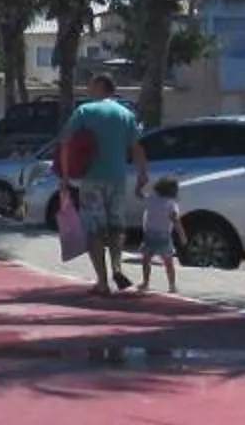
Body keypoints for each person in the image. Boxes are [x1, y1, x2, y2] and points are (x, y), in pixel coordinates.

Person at [58, 72, 148, 295]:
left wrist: (66, 176)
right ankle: (117, 267)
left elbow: (66, 142)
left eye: (91, 85)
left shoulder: (85, 111)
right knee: (116, 227)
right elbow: (137, 147)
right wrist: (142, 174)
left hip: (92, 178)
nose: (88, 89)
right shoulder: (126, 114)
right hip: (117, 178)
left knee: (94, 230)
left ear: (101, 86)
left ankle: (102, 282)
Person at [142, 173, 184, 294]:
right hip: (163, 235)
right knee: (168, 262)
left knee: (146, 260)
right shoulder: (171, 204)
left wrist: (144, 182)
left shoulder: (151, 199)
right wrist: (182, 235)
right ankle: (172, 285)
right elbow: (175, 221)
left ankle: (145, 282)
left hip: (149, 234)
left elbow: (139, 193)